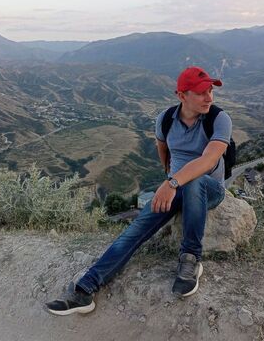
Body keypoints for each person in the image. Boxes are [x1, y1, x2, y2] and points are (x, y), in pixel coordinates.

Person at [46, 66, 232, 315]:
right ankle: (85, 290)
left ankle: (190, 260)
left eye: (210, 90)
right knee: (134, 230)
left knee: (195, 180)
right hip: (176, 188)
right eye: (201, 92)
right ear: (181, 95)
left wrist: (171, 183)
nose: (209, 97)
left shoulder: (219, 119)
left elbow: (208, 161)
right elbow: (163, 149)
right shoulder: (165, 119)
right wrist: (170, 179)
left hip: (209, 188)